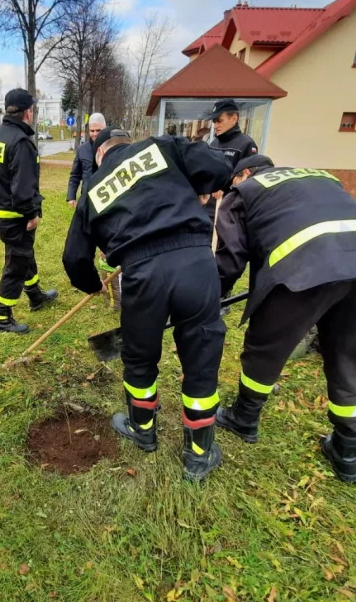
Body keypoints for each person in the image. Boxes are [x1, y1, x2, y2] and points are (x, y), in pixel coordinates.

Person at [215, 155, 356, 482]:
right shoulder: (320, 177)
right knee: (350, 357)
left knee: (266, 348)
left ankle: (244, 418)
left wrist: (212, 297)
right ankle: (346, 451)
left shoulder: (244, 191)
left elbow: (231, 258)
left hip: (305, 269)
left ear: (245, 173)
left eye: (232, 181)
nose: (230, 187)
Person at [63, 127, 233, 482]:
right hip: (195, 263)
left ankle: (143, 431)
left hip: (142, 275)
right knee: (201, 356)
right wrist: (203, 188)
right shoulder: (162, 147)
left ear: (100, 155)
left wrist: (93, 285)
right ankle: (198, 454)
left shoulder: (93, 188)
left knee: (139, 358)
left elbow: (74, 259)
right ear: (128, 144)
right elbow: (218, 167)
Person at [0, 88, 58, 333]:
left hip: (0, 212)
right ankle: (2, 317)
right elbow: (23, 187)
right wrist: (32, 214)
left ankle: (35, 295)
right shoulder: (21, 143)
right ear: (27, 112)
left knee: (24, 253)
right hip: (16, 216)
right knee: (17, 261)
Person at [201, 99, 259, 222]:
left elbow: (248, 179)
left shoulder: (246, 144)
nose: (216, 126)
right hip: (209, 209)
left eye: (220, 121)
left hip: (230, 210)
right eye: (214, 122)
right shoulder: (214, 143)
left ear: (234, 119)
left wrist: (225, 188)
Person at [66, 112, 106, 207]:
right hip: (86, 200)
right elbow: (75, 175)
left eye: (98, 130)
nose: (95, 134)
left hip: (107, 200)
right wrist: (71, 196)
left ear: (105, 129)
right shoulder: (82, 150)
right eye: (92, 131)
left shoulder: (113, 148)